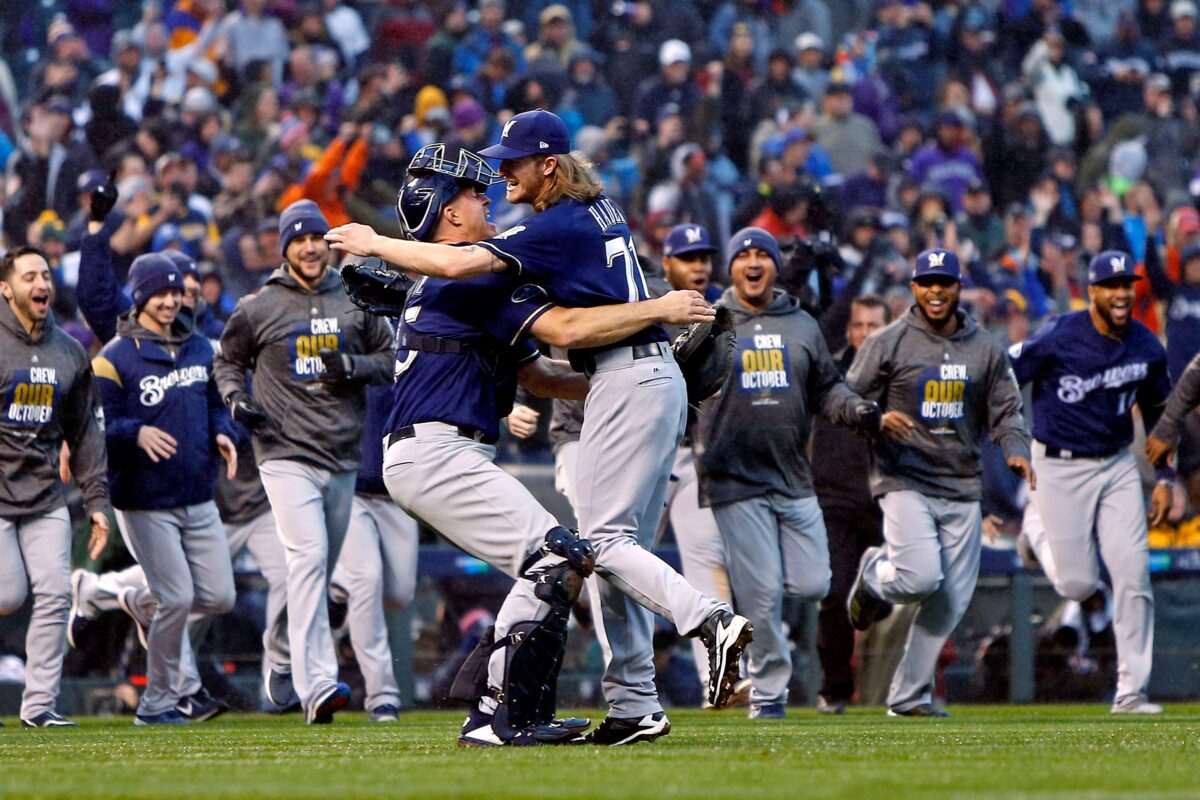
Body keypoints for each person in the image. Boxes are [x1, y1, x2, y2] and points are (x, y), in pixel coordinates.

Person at [325, 112, 753, 744]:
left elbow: (555, 340)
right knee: (578, 556)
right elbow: (549, 344)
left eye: (508, 167)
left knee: (592, 552)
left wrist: (379, 245)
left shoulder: (516, 249)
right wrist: (649, 344)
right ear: (447, 215)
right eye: (474, 191)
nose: (495, 184)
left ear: (549, 164)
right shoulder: (586, 214)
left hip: (602, 386)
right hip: (449, 447)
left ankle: (638, 677)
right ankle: (554, 707)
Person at [214, 200, 395, 725]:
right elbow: (227, 360)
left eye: (317, 237)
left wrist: (354, 365)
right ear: (285, 248)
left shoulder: (357, 296)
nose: (310, 247)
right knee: (310, 558)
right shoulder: (259, 305)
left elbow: (390, 361)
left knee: (315, 570)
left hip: (341, 454)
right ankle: (316, 685)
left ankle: (277, 653)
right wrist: (234, 399)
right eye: (299, 239)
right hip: (282, 451)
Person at [696, 228, 880, 719]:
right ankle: (771, 694)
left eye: (763, 255)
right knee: (759, 596)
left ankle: (772, 670)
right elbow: (678, 385)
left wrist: (857, 410)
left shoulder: (802, 324)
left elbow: (829, 390)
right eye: (744, 256)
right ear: (730, 268)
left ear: (776, 266)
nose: (753, 263)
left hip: (795, 477)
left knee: (816, 584)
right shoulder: (708, 320)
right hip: (733, 480)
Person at [845, 248, 1034, 717]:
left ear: (957, 288)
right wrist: (874, 417)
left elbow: (1007, 410)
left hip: (962, 483)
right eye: (926, 282)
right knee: (920, 576)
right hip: (904, 475)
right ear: (913, 288)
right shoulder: (888, 341)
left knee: (949, 601)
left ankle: (909, 698)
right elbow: (846, 396)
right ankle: (875, 576)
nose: (935, 290)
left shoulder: (985, 346)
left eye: (943, 282)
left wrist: (1016, 449)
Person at [1012, 251, 1171, 715]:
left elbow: (1161, 413)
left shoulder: (1146, 345)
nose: (1121, 293)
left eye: (1127, 284)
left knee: (1132, 572)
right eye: (1111, 285)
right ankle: (1033, 530)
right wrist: (1007, 435)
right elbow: (1003, 375)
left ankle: (1131, 691)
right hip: (1058, 465)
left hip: (1118, 464)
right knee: (1077, 584)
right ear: (1092, 291)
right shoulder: (1059, 335)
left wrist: (1164, 475)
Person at [92, 252, 239, 725]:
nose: (172, 300)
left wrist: (225, 433)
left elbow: (218, 403)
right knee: (176, 600)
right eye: (161, 292)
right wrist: (134, 431)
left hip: (198, 495)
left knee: (219, 597)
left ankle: (139, 601)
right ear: (139, 296)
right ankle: (156, 705)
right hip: (144, 500)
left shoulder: (201, 348)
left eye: (177, 291)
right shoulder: (113, 359)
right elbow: (97, 426)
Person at [0, 246, 109, 729]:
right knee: (7, 595)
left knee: (55, 595)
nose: (41, 284)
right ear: (6, 289)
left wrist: (97, 501)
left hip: (45, 495)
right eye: (29, 277)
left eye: (45, 275)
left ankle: (39, 705)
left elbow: (85, 432)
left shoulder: (69, 351)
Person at [812, 294, 891, 714]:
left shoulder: (902, 374)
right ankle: (835, 689)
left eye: (873, 326)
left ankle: (906, 691)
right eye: (858, 326)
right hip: (835, 498)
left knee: (902, 590)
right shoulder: (828, 374)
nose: (864, 334)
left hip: (889, 499)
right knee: (835, 595)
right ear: (848, 331)